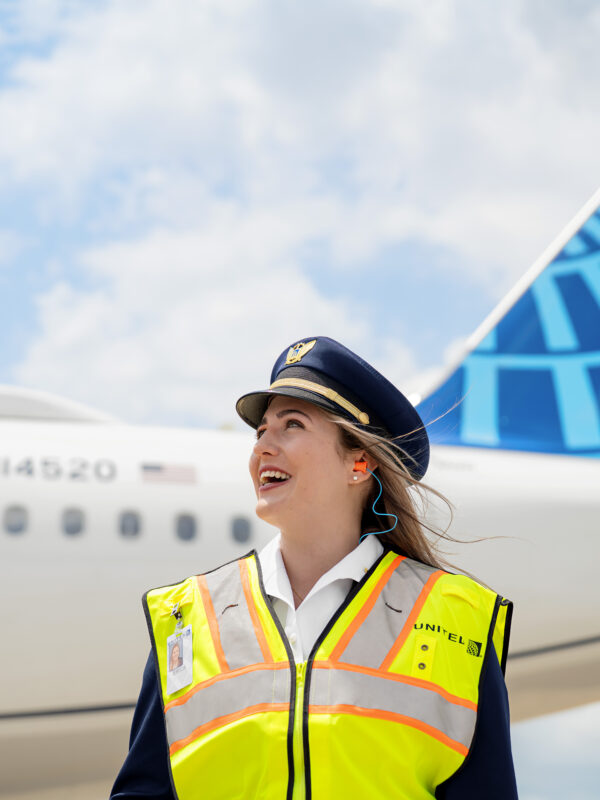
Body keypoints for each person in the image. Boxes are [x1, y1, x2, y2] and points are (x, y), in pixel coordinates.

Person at [111, 336, 518, 800]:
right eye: (261, 431)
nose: (263, 447)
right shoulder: (186, 617)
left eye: (292, 425)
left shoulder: (457, 621)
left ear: (359, 463)